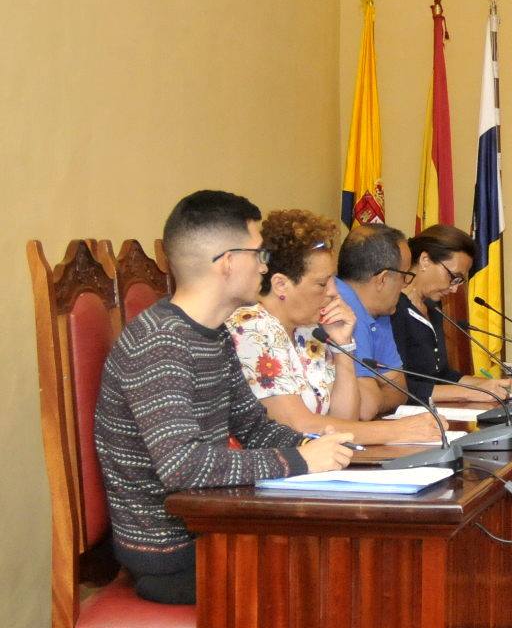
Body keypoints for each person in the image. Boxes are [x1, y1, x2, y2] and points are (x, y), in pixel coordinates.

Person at [93, 191, 353, 604]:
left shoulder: (213, 334)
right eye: (259, 254)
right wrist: (303, 460)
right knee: (335, 575)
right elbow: (183, 466)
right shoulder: (160, 343)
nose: (265, 266)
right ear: (228, 262)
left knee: (350, 553)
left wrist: (323, 449)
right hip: (172, 552)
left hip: (212, 525)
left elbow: (255, 427)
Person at [224, 209, 440, 444]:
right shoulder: (252, 326)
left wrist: (343, 347)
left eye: (332, 280)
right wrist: (396, 431)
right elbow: (297, 425)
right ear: (280, 285)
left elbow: (345, 418)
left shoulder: (309, 331)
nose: (334, 292)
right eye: (321, 284)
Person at [396, 224, 512, 400]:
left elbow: (443, 376)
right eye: (453, 277)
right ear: (425, 260)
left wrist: (497, 385)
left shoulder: (433, 307)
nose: (455, 289)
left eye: (460, 281)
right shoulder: (393, 309)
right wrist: (471, 393)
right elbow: (399, 388)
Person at [334, 223, 414, 417]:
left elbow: (400, 389)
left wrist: (376, 398)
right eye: (405, 276)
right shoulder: (341, 310)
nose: (405, 286)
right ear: (382, 279)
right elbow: (366, 408)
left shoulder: (380, 310)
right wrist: (377, 396)